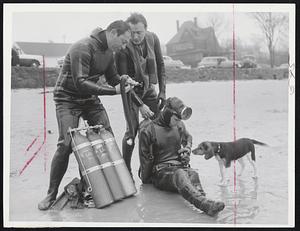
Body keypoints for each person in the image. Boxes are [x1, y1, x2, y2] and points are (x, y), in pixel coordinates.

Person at [38, 20, 137, 210]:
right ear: (113, 33)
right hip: (67, 98)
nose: (124, 47)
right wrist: (114, 91)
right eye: (123, 42)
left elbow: (113, 79)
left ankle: (93, 187)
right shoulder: (82, 47)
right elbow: (80, 82)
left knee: (107, 137)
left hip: (89, 99)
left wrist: (124, 82)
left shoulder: (109, 52)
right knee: (66, 145)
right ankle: (50, 194)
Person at [138, 97, 225, 216]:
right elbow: (145, 159)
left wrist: (187, 148)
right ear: (167, 113)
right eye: (176, 118)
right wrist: (146, 179)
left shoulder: (179, 125)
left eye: (180, 119)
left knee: (193, 173)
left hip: (178, 168)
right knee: (180, 174)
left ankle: (206, 202)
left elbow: (188, 137)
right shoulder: (148, 130)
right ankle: (205, 205)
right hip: (160, 173)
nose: (178, 121)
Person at [115, 13, 166, 175]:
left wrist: (163, 91)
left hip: (148, 87)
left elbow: (160, 64)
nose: (135, 37)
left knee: (157, 125)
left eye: (139, 32)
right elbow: (124, 82)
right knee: (132, 130)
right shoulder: (122, 50)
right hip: (130, 91)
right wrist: (141, 105)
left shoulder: (153, 39)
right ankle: (126, 170)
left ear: (146, 30)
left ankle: (152, 165)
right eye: (132, 32)